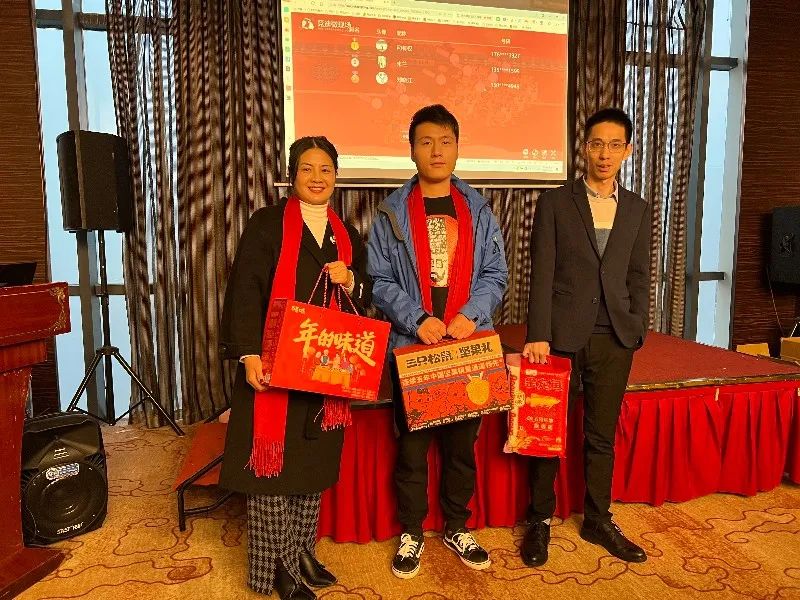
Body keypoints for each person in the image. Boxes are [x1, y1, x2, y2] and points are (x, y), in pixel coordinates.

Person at [219, 136, 372, 599]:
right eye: (307, 168)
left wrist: (353, 280)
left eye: (326, 169)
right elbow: (245, 290)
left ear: (336, 177)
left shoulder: (347, 235)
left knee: (312, 465)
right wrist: (248, 353)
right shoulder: (267, 224)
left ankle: (302, 551)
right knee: (271, 470)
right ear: (292, 175)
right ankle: (276, 568)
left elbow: (365, 299)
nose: (317, 177)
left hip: (325, 370)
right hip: (273, 365)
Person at [367, 104, 508, 579]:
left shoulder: (478, 209)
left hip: (467, 348)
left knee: (461, 449)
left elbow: (496, 274)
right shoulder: (391, 212)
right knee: (412, 450)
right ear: (411, 150)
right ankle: (411, 531)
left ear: (457, 148)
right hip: (414, 348)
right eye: (426, 142)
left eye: (445, 141)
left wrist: (471, 315)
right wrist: (418, 318)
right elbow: (379, 280)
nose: (436, 151)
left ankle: (456, 526)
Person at [521, 107, 651, 566]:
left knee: (600, 436)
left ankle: (598, 518)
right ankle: (539, 520)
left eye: (615, 145)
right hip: (559, 336)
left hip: (615, 337)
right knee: (546, 433)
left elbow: (639, 274)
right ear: (584, 147)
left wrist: (636, 326)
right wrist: (538, 332)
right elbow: (541, 271)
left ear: (627, 150)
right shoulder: (556, 203)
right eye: (597, 144)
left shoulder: (636, 208)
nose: (604, 154)